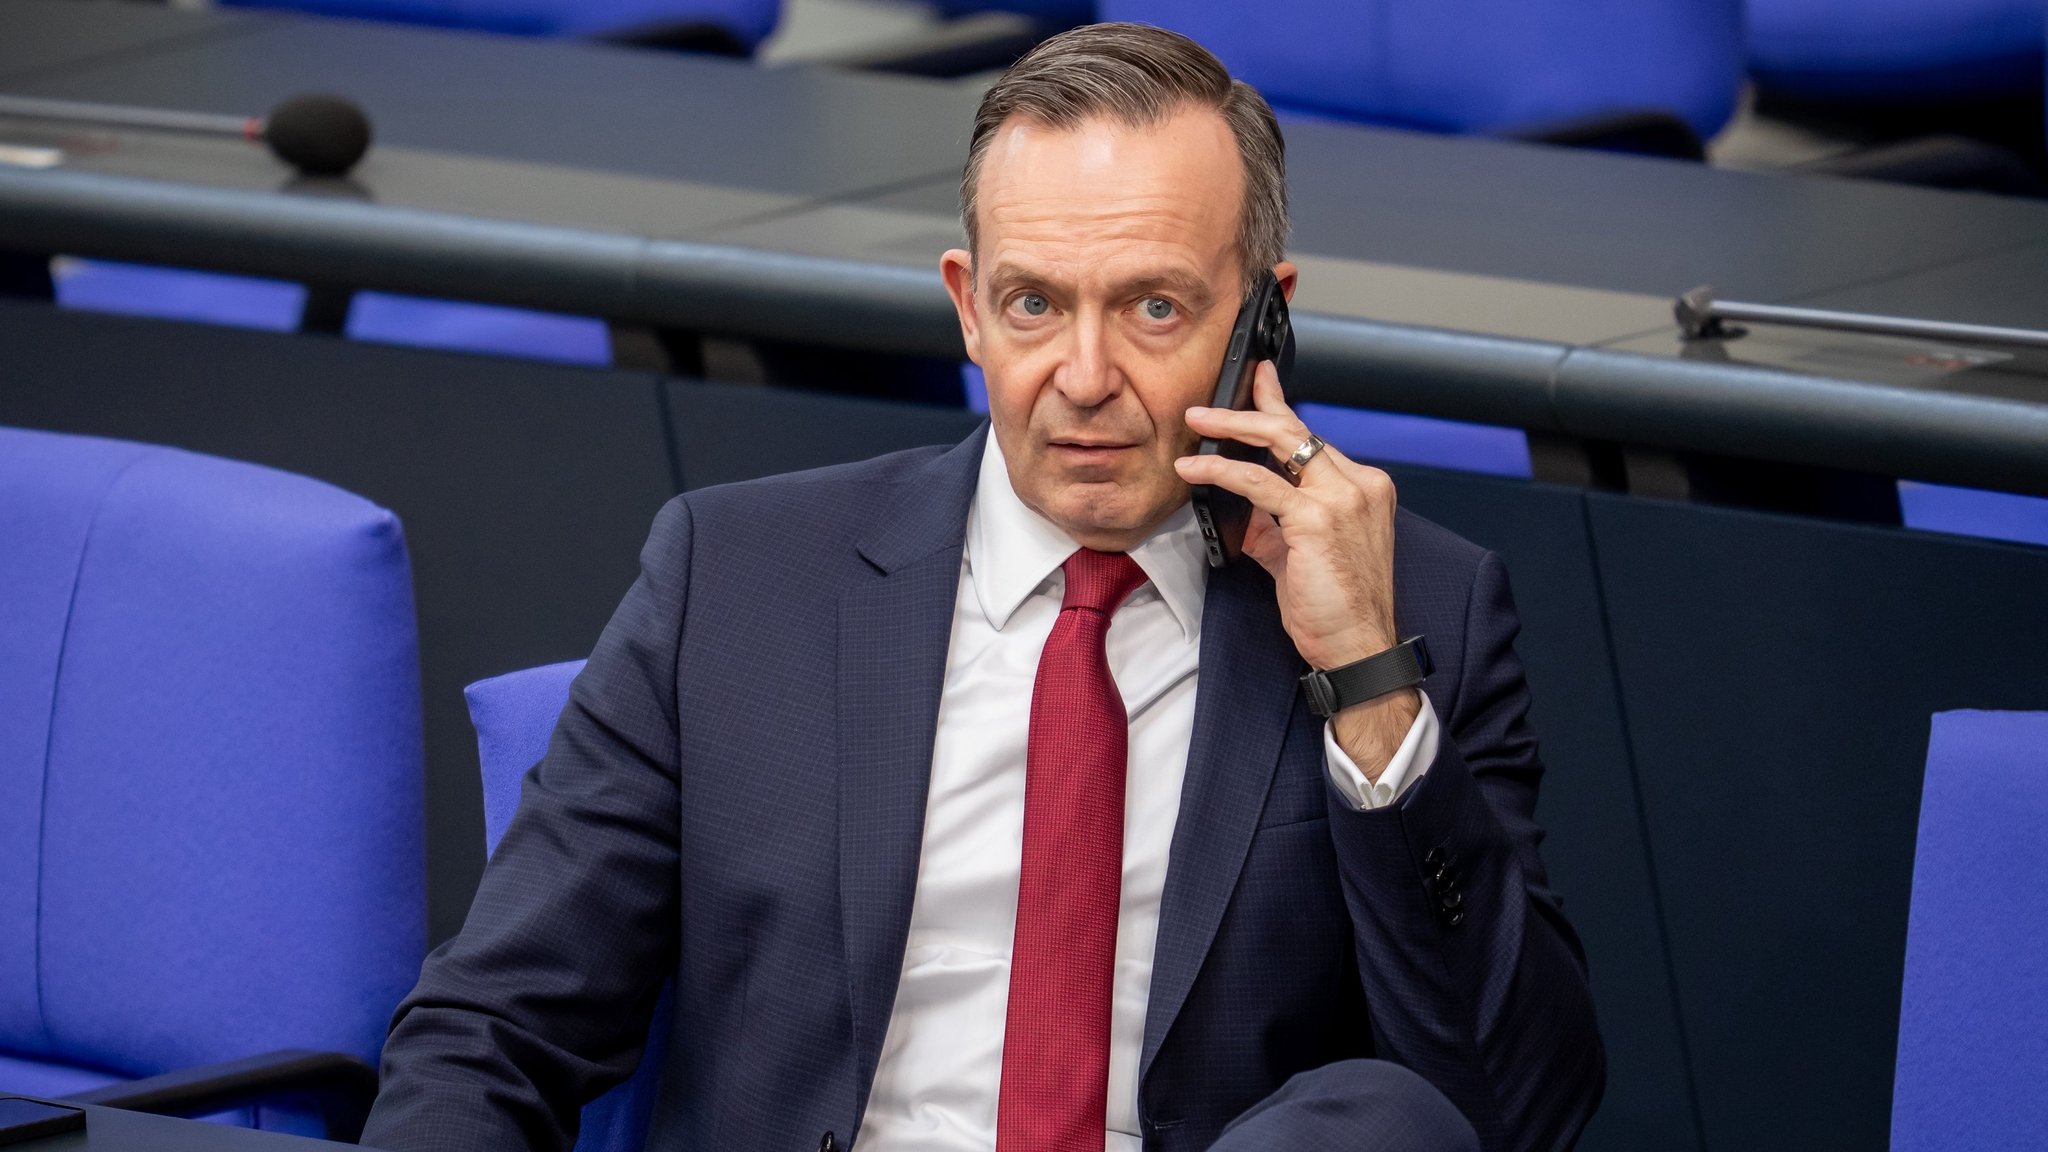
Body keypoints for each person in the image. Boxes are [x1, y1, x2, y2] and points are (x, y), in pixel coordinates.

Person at [362, 23, 1603, 1152]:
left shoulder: (1416, 608)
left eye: (1153, 307)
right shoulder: (738, 577)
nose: (1081, 374)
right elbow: (488, 1031)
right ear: (967, 308)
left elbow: (1509, 1110)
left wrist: (1367, 684)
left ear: (1261, 324)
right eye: (1032, 304)